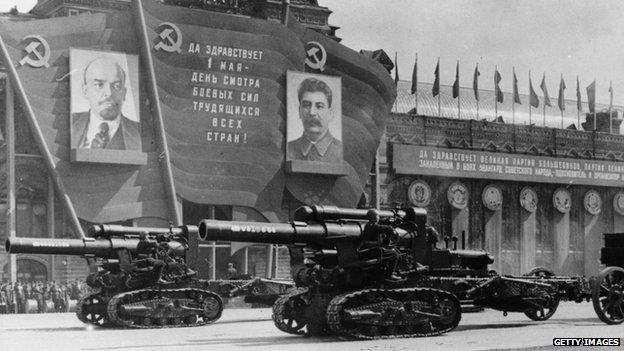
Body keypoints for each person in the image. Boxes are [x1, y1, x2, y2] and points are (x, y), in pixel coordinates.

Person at [71, 56, 141, 150]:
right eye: (99, 85)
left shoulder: (140, 131)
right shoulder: (70, 122)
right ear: (85, 91)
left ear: (124, 93)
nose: (109, 93)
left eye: (116, 86)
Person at [287, 77, 342, 163]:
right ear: (299, 111)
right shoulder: (288, 149)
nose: (312, 112)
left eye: (319, 106)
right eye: (306, 105)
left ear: (330, 113)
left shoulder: (341, 151)